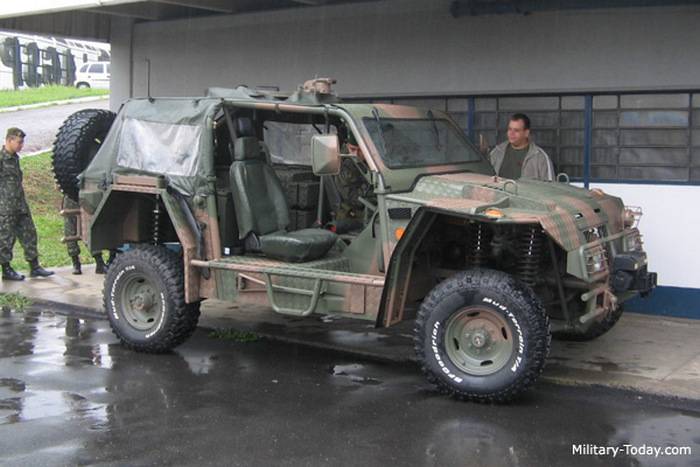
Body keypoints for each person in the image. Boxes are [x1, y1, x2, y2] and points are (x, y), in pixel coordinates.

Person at [0, 127, 53, 280]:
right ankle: (6, 269)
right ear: (9, 140)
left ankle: (34, 266)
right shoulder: (2, 159)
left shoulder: (15, 158)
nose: (21, 146)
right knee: (6, 238)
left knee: (29, 233)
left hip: (20, 205)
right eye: (19, 142)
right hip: (6, 208)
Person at [489, 113, 554, 181]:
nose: (511, 133)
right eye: (509, 129)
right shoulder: (496, 152)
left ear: (526, 133)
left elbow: (552, 187)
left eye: (516, 130)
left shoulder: (540, 158)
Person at [62, 195, 107, 275]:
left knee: (88, 228)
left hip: (85, 194)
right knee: (70, 230)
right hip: (70, 195)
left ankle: (99, 262)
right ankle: (75, 263)